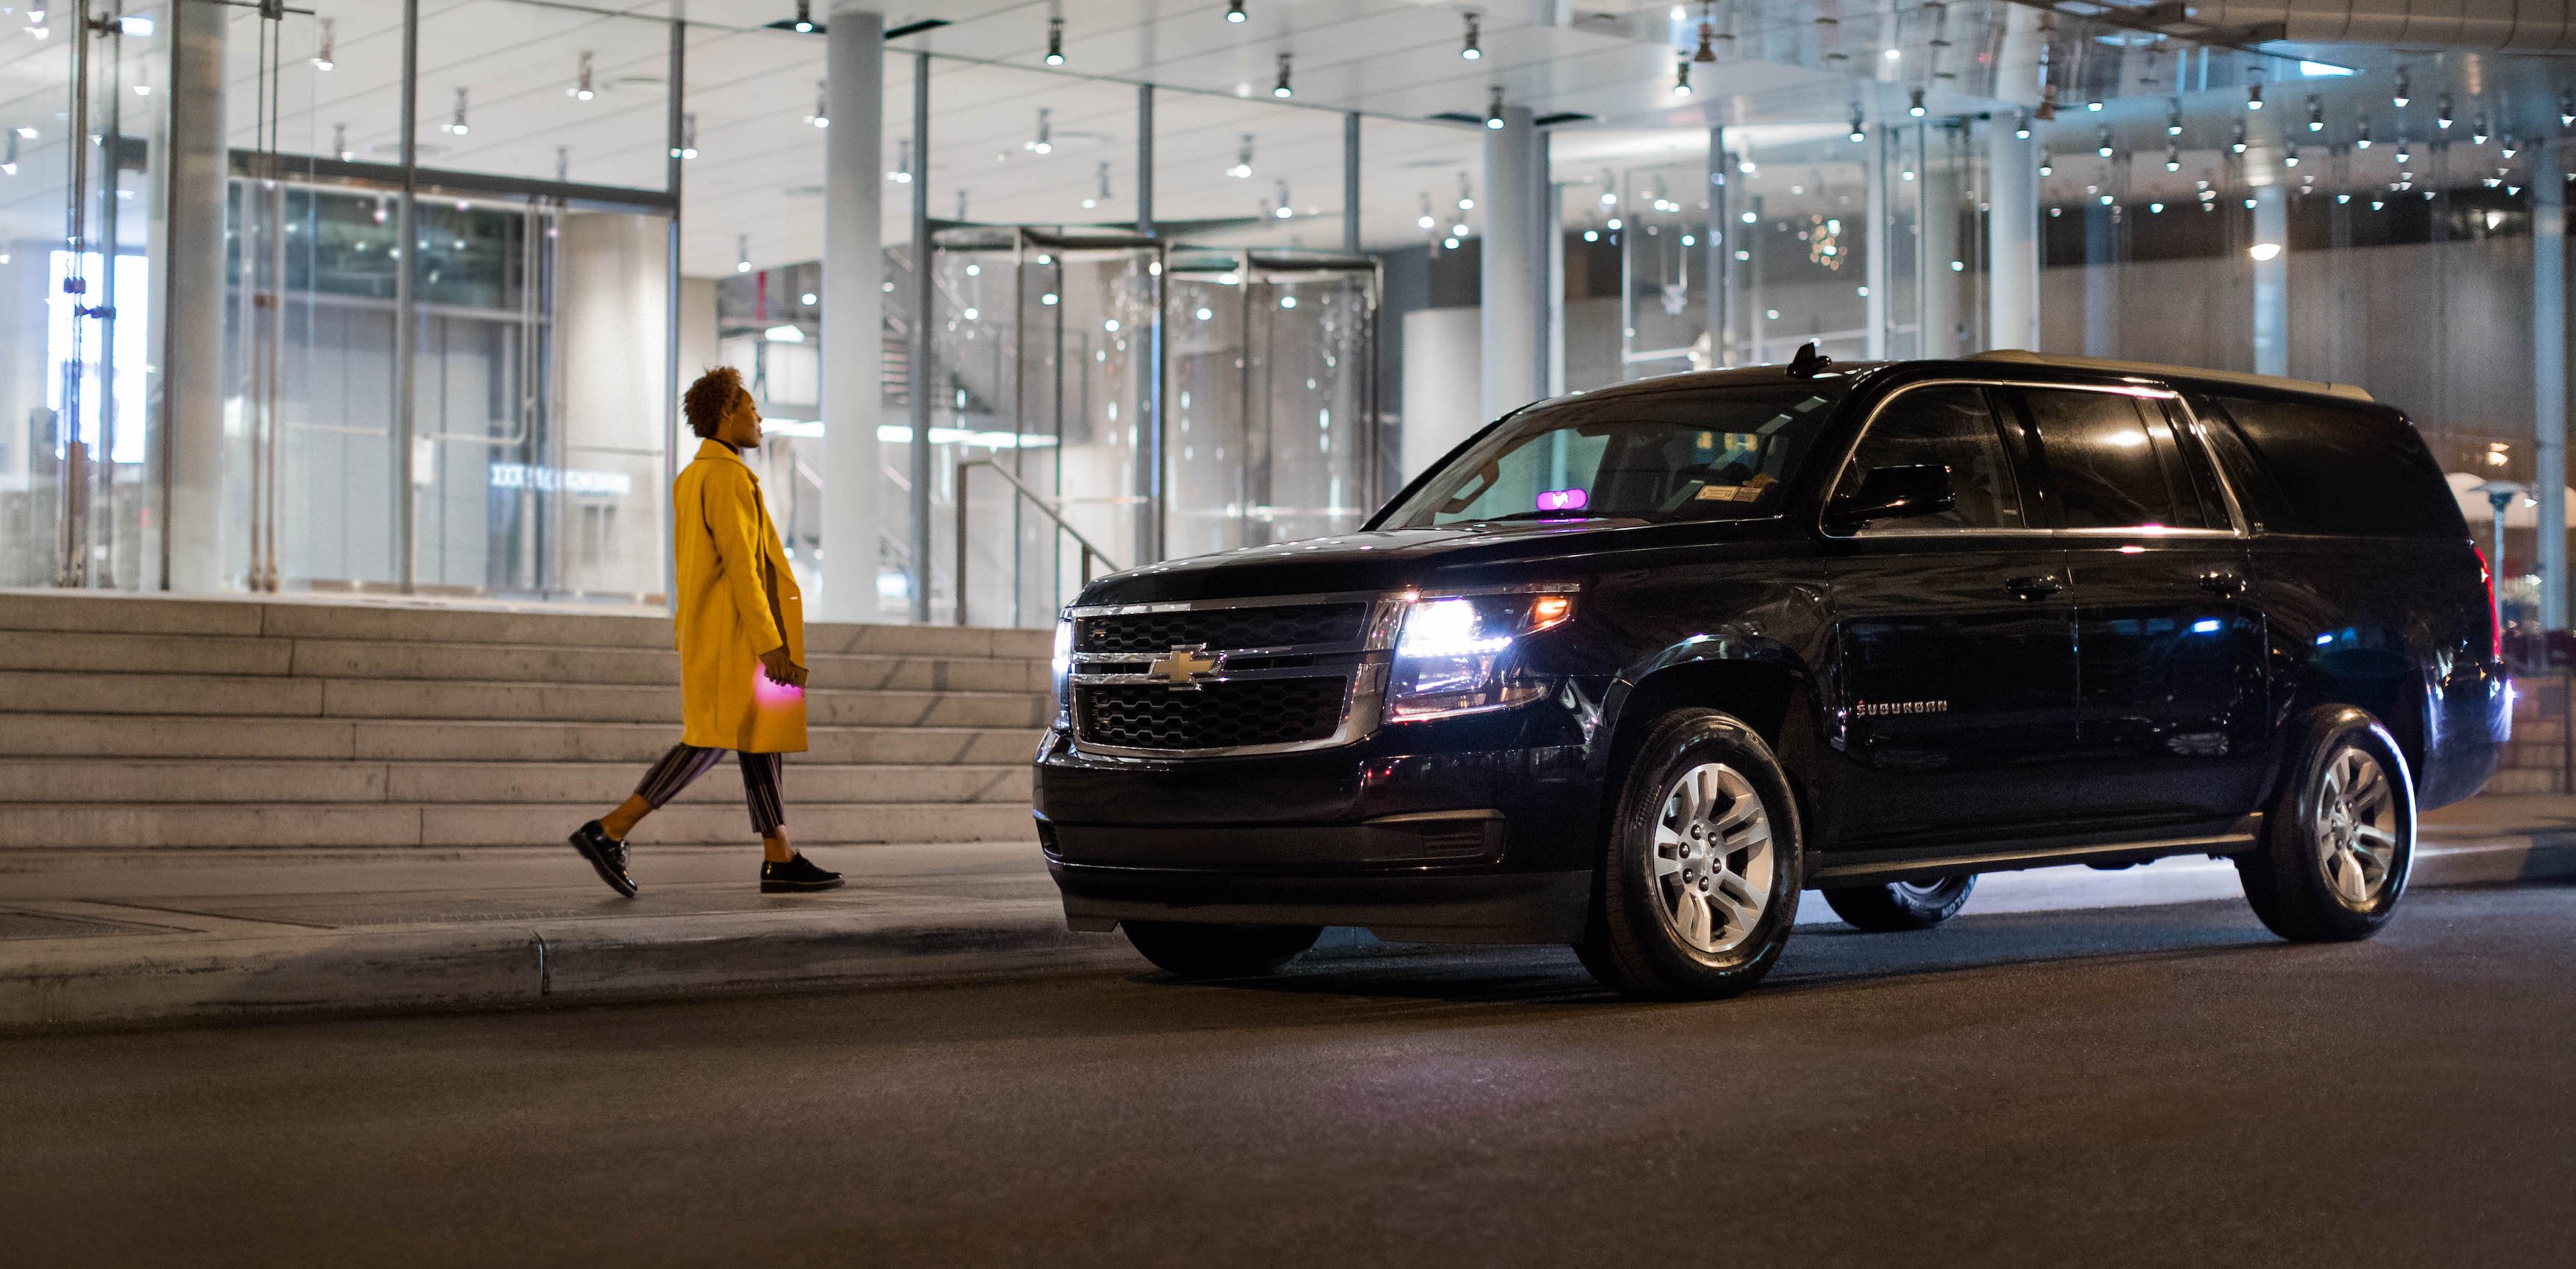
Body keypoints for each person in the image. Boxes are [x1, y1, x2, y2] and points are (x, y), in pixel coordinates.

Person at [567, 367, 843, 896]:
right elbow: (743, 568)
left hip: (716, 631)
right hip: (738, 637)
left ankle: (779, 855)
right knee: (708, 741)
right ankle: (609, 829)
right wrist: (771, 644)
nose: (759, 419)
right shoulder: (727, 478)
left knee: (759, 739)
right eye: (752, 408)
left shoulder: (693, 477)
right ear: (726, 413)